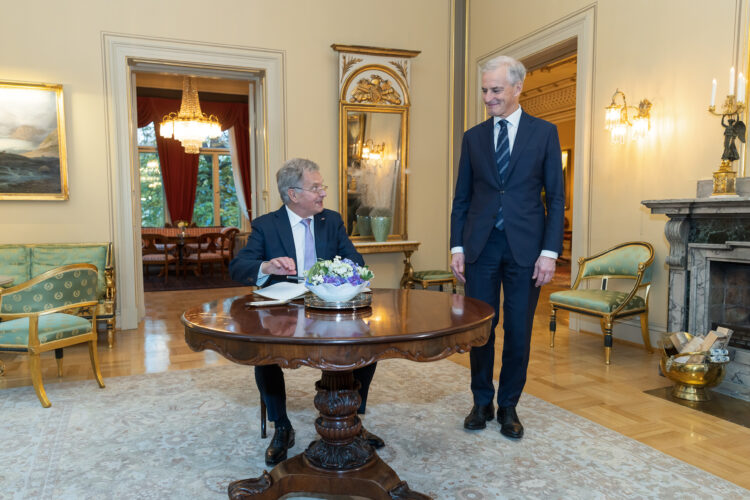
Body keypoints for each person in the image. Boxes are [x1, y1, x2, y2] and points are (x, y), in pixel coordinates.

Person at [229, 157, 383, 466]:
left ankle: (352, 417)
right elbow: (238, 267)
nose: (323, 193)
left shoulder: (332, 220)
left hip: (327, 306)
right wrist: (267, 266)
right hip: (284, 308)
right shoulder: (266, 225)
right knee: (266, 352)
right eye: (316, 187)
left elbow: (357, 262)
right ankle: (281, 425)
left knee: (367, 345)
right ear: (293, 194)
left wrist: (343, 273)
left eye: (322, 186)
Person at [449, 55, 564, 439]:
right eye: (484, 90)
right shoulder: (473, 137)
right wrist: (457, 246)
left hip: (526, 251)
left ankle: (509, 405)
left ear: (518, 88)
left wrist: (549, 252)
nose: (488, 97)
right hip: (481, 248)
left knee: (518, 329)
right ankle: (481, 400)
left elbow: (556, 198)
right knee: (481, 329)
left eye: (495, 90)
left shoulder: (544, 133)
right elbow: (461, 198)